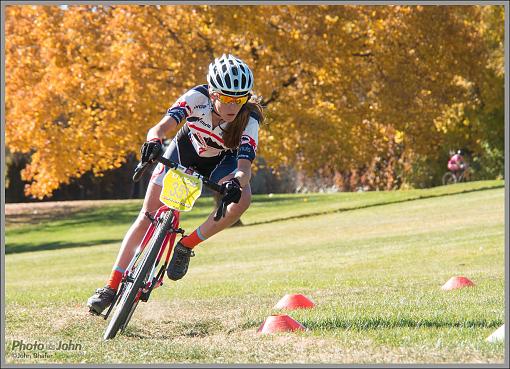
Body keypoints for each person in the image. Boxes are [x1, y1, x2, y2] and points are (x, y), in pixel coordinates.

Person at [87, 54, 264, 315]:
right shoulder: (196, 98)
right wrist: (153, 143)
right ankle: (110, 287)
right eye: (226, 97)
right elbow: (159, 129)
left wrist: (237, 182)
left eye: (239, 99)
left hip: (222, 162)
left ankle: (186, 245)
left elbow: (244, 166)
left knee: (243, 199)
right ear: (212, 92)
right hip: (184, 151)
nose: (233, 104)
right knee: (146, 217)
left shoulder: (249, 119)